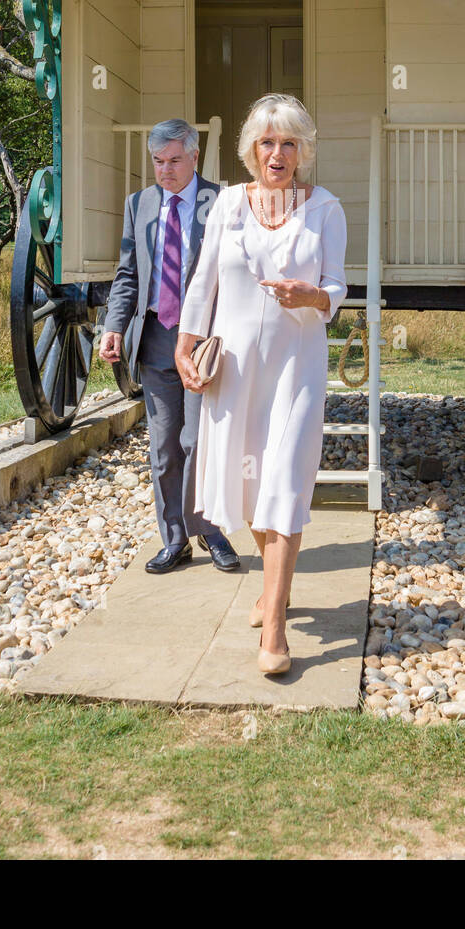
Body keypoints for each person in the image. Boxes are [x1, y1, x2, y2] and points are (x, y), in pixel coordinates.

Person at [175, 94, 348, 677]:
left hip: (298, 367)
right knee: (247, 490)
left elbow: (339, 288)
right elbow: (202, 282)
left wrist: (314, 297)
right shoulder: (226, 203)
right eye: (267, 143)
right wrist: (184, 342)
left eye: (290, 143)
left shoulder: (325, 208)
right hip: (237, 369)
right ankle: (276, 585)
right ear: (251, 151)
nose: (278, 153)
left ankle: (273, 622)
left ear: (303, 151)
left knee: (284, 484)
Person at [98, 118, 240, 575]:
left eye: (174, 160)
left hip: (203, 342)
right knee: (164, 449)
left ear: (195, 157)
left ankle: (211, 533)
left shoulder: (221, 201)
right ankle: (174, 540)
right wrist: (114, 325)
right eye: (158, 162)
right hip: (156, 337)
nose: (165, 170)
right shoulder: (138, 205)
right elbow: (128, 274)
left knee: (197, 441)